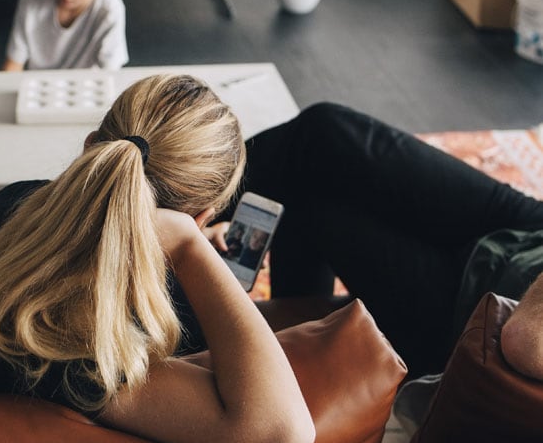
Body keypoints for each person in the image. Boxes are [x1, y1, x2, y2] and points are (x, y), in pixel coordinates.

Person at [0, 74, 314, 443]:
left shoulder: (17, 200)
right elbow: (283, 428)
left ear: (91, 148)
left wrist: (182, 238)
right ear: (202, 218)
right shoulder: (84, 332)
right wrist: (193, 251)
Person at [206, 101, 543, 379]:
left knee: (305, 200)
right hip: (529, 234)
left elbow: (527, 343)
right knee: (321, 132)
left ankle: (180, 274)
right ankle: (180, 226)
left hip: (476, 310)